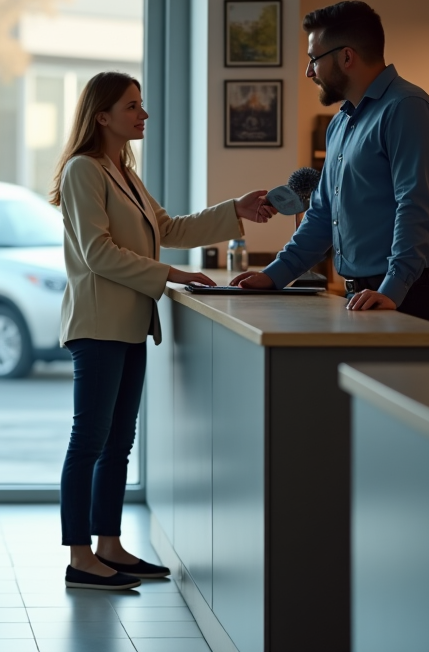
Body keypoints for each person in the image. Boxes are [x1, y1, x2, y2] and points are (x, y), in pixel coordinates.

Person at [51, 71, 274, 590]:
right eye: (132, 106)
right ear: (101, 115)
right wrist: (173, 273)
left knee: (119, 442)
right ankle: (80, 557)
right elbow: (97, 253)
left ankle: (108, 545)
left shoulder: (121, 170)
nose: (143, 114)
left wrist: (233, 211)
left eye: (142, 105)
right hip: (99, 323)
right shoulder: (84, 170)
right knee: (90, 440)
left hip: (128, 323)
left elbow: (167, 228)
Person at [232, 0, 429, 324]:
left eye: (313, 60)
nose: (309, 72)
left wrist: (393, 289)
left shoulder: (407, 109)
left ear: (346, 56)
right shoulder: (340, 124)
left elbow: (415, 205)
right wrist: (273, 275)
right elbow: (323, 215)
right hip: (361, 296)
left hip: (406, 296)